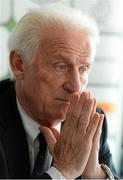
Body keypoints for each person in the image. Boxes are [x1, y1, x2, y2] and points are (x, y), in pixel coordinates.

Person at [0, 4, 118, 179]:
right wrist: (64, 171)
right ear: (19, 65)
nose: (76, 87)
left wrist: (94, 174)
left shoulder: (89, 120)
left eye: (83, 69)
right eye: (60, 66)